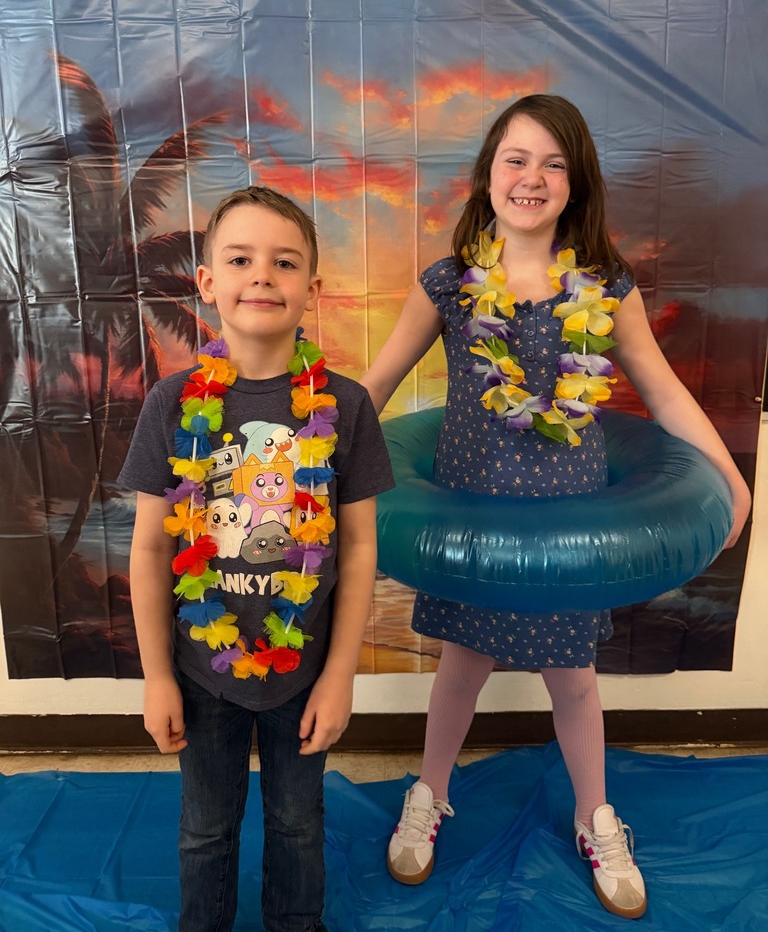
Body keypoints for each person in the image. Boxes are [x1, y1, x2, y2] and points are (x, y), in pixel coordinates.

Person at [361, 95, 751, 920]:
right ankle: (428, 796)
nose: (531, 178)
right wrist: (306, 456)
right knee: (461, 667)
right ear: (487, 173)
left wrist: (729, 472)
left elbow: (662, 392)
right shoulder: (450, 284)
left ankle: (594, 816)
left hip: (566, 523)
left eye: (553, 163)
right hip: (469, 519)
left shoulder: (605, 287)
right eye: (515, 158)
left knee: (572, 678)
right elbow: (378, 384)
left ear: (575, 184)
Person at [120, 186, 394, 932]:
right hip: (199, 671)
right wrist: (154, 678)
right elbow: (149, 548)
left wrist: (340, 676)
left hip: (302, 671)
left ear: (313, 286)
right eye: (240, 259)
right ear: (207, 284)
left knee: (299, 825)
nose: (263, 276)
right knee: (205, 830)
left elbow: (361, 545)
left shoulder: (346, 406)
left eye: (284, 261)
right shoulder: (173, 404)